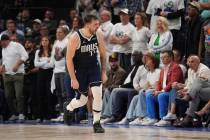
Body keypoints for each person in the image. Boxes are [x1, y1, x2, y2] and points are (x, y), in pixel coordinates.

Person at [64, 15, 107, 133]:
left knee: (97, 94)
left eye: (98, 24)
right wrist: (73, 78)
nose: (97, 26)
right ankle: (69, 107)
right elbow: (68, 59)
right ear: (87, 24)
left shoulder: (98, 34)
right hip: (80, 70)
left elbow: (103, 54)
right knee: (82, 100)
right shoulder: (75, 37)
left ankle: (97, 122)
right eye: (95, 24)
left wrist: (103, 72)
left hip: (94, 68)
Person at [0, 34, 28, 121]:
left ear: (6, 40)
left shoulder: (17, 45)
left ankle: (21, 113)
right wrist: (2, 67)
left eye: (2, 42)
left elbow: (25, 56)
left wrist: (17, 64)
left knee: (19, 95)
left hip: (18, 74)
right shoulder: (3, 49)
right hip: (7, 75)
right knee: (8, 96)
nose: (1, 44)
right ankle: (14, 113)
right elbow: (5, 60)